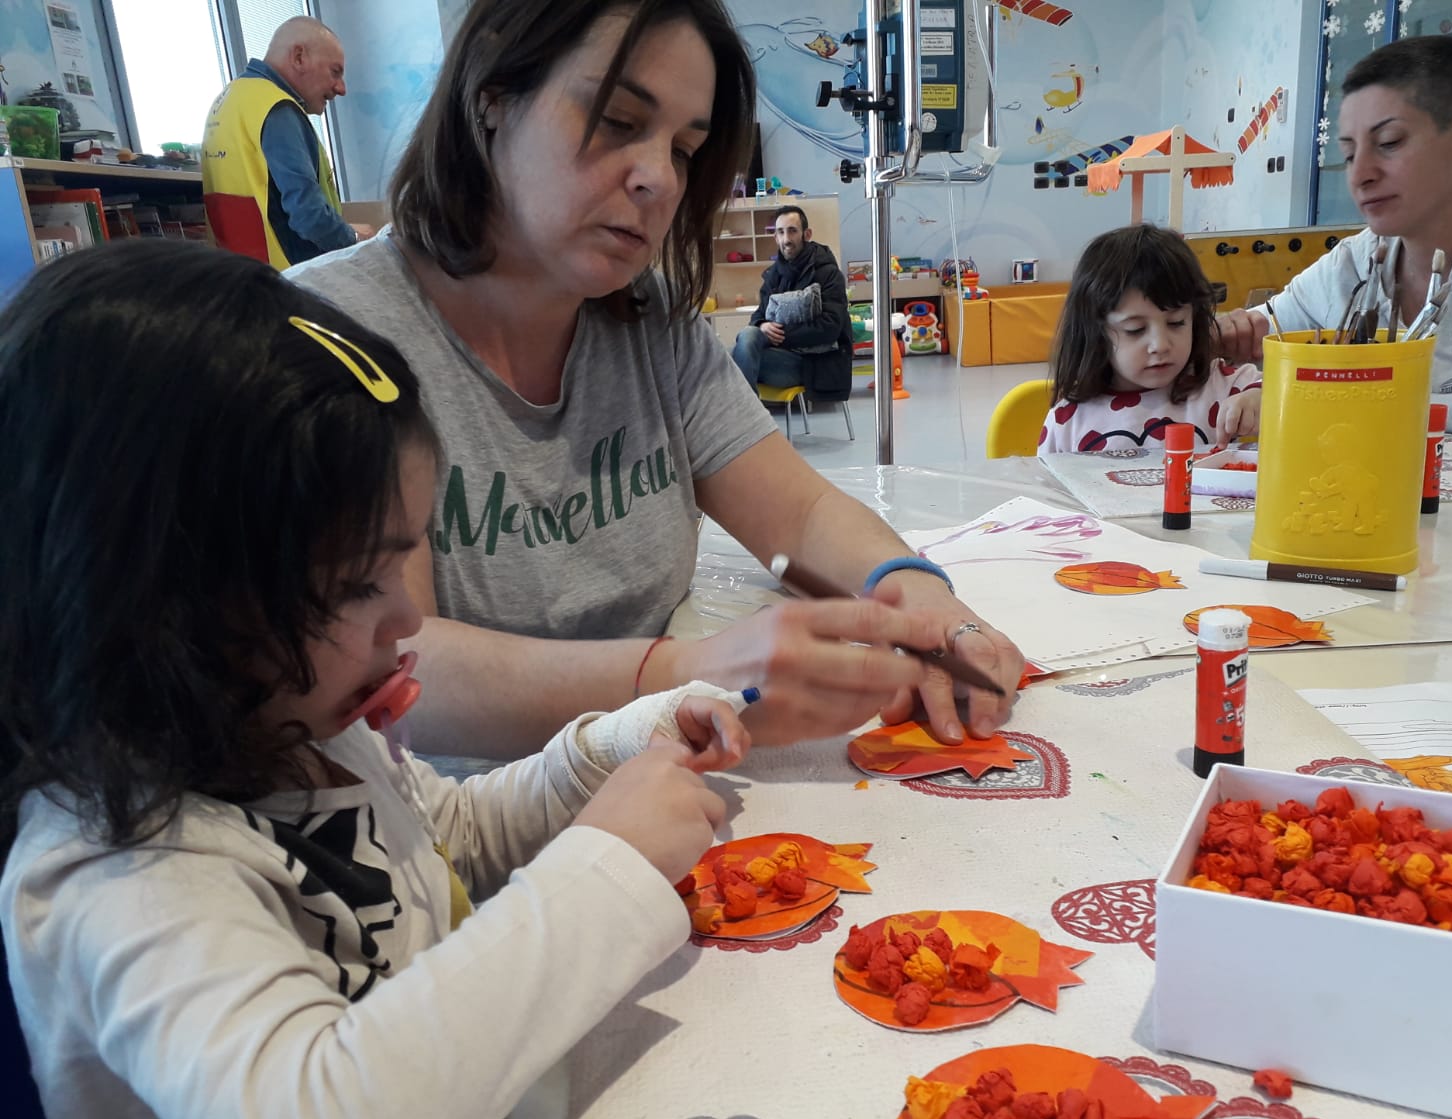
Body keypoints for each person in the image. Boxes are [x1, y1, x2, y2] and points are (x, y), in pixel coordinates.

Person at [0, 240, 750, 1119]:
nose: (407, 618)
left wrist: (610, 750)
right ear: (156, 606)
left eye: (405, 557)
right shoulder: (122, 866)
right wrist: (606, 871)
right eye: (357, 584)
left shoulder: (303, 724)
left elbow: (450, 842)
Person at [288, 0, 1022, 761]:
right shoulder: (329, 334)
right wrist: (679, 679)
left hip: (651, 776)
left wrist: (917, 597)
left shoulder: (649, 320)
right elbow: (396, 673)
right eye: (616, 120)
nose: (657, 180)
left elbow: (796, 517)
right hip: (450, 837)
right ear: (493, 97)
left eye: (683, 149)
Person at [1214, 36, 1452, 440]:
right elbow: (1257, 327)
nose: (1360, 174)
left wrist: (1412, 405)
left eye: (1389, 143)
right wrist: (1206, 335)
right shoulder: (1358, 261)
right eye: (1348, 154)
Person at [1040, 224, 1261, 453]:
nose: (1160, 345)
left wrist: (1259, 399)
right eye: (1135, 329)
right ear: (1096, 332)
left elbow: (1285, 395)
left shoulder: (1224, 386)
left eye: (1176, 323)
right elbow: (1046, 488)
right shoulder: (1068, 420)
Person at [202, 16, 374, 268]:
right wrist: (357, 242)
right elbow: (308, 215)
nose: (341, 88)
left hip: (241, 285)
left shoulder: (228, 103)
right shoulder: (278, 110)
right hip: (289, 288)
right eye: (335, 72)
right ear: (299, 57)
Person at [731, 204, 854, 403]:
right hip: (778, 357)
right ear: (775, 237)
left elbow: (830, 327)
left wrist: (779, 335)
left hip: (811, 366)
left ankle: (746, 417)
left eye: (792, 231)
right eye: (781, 232)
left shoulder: (828, 274)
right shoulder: (773, 275)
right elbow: (758, 315)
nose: (786, 239)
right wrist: (763, 325)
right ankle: (749, 416)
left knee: (731, 360)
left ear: (807, 234)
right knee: (743, 340)